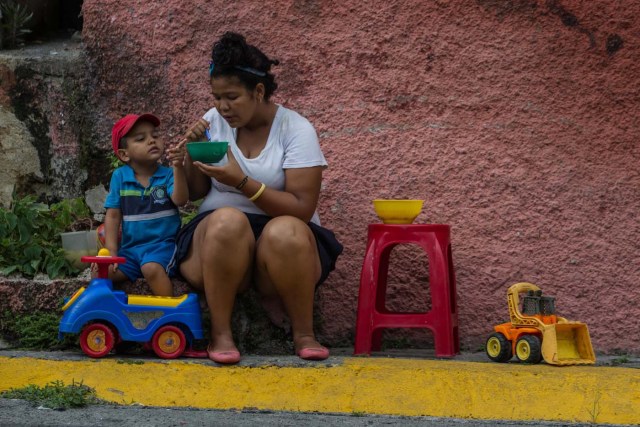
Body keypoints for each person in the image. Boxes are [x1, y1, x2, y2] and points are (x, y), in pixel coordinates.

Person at [176, 32, 343, 364]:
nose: (222, 107)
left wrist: (242, 183)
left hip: (283, 254)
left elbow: (302, 207)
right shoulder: (214, 121)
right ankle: (221, 334)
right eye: (217, 97)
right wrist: (187, 156)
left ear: (259, 91)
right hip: (220, 244)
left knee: (287, 229)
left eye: (232, 97)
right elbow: (194, 193)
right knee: (227, 220)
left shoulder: (295, 130)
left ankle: (304, 333)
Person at [103, 113, 188, 296]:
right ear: (124, 154)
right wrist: (111, 251)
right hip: (131, 251)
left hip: (163, 247)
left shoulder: (167, 175)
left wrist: (178, 167)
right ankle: (113, 313)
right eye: (141, 139)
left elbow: (180, 199)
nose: (152, 141)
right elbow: (113, 215)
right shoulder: (120, 177)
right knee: (101, 271)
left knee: (151, 268)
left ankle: (170, 314)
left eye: (155, 135)